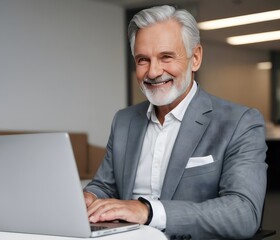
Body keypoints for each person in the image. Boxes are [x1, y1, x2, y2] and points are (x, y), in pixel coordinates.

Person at [83, 5, 267, 240]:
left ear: (196, 57)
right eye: (142, 60)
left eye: (166, 57)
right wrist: (89, 196)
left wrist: (148, 212)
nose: (153, 71)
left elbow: (244, 213)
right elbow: (104, 186)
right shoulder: (124, 120)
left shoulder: (240, 122)